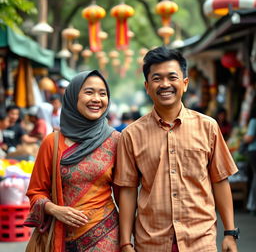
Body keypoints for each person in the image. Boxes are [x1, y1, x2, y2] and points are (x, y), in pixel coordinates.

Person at [114, 47, 239, 252]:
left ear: (185, 83)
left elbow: (220, 180)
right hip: (151, 242)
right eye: (157, 78)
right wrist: (126, 242)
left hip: (200, 240)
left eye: (172, 77)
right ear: (147, 86)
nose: (165, 84)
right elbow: (127, 190)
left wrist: (230, 233)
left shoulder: (208, 127)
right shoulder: (131, 134)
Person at [24, 70, 120, 251]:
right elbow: (36, 192)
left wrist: (128, 241)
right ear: (72, 97)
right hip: (61, 239)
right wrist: (54, 209)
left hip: (107, 238)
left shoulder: (116, 140)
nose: (97, 99)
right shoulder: (51, 142)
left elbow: (126, 193)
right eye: (89, 92)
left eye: (103, 93)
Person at [244, 107, 256, 215]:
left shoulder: (253, 121)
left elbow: (249, 138)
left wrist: (244, 137)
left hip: (254, 151)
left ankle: (251, 204)